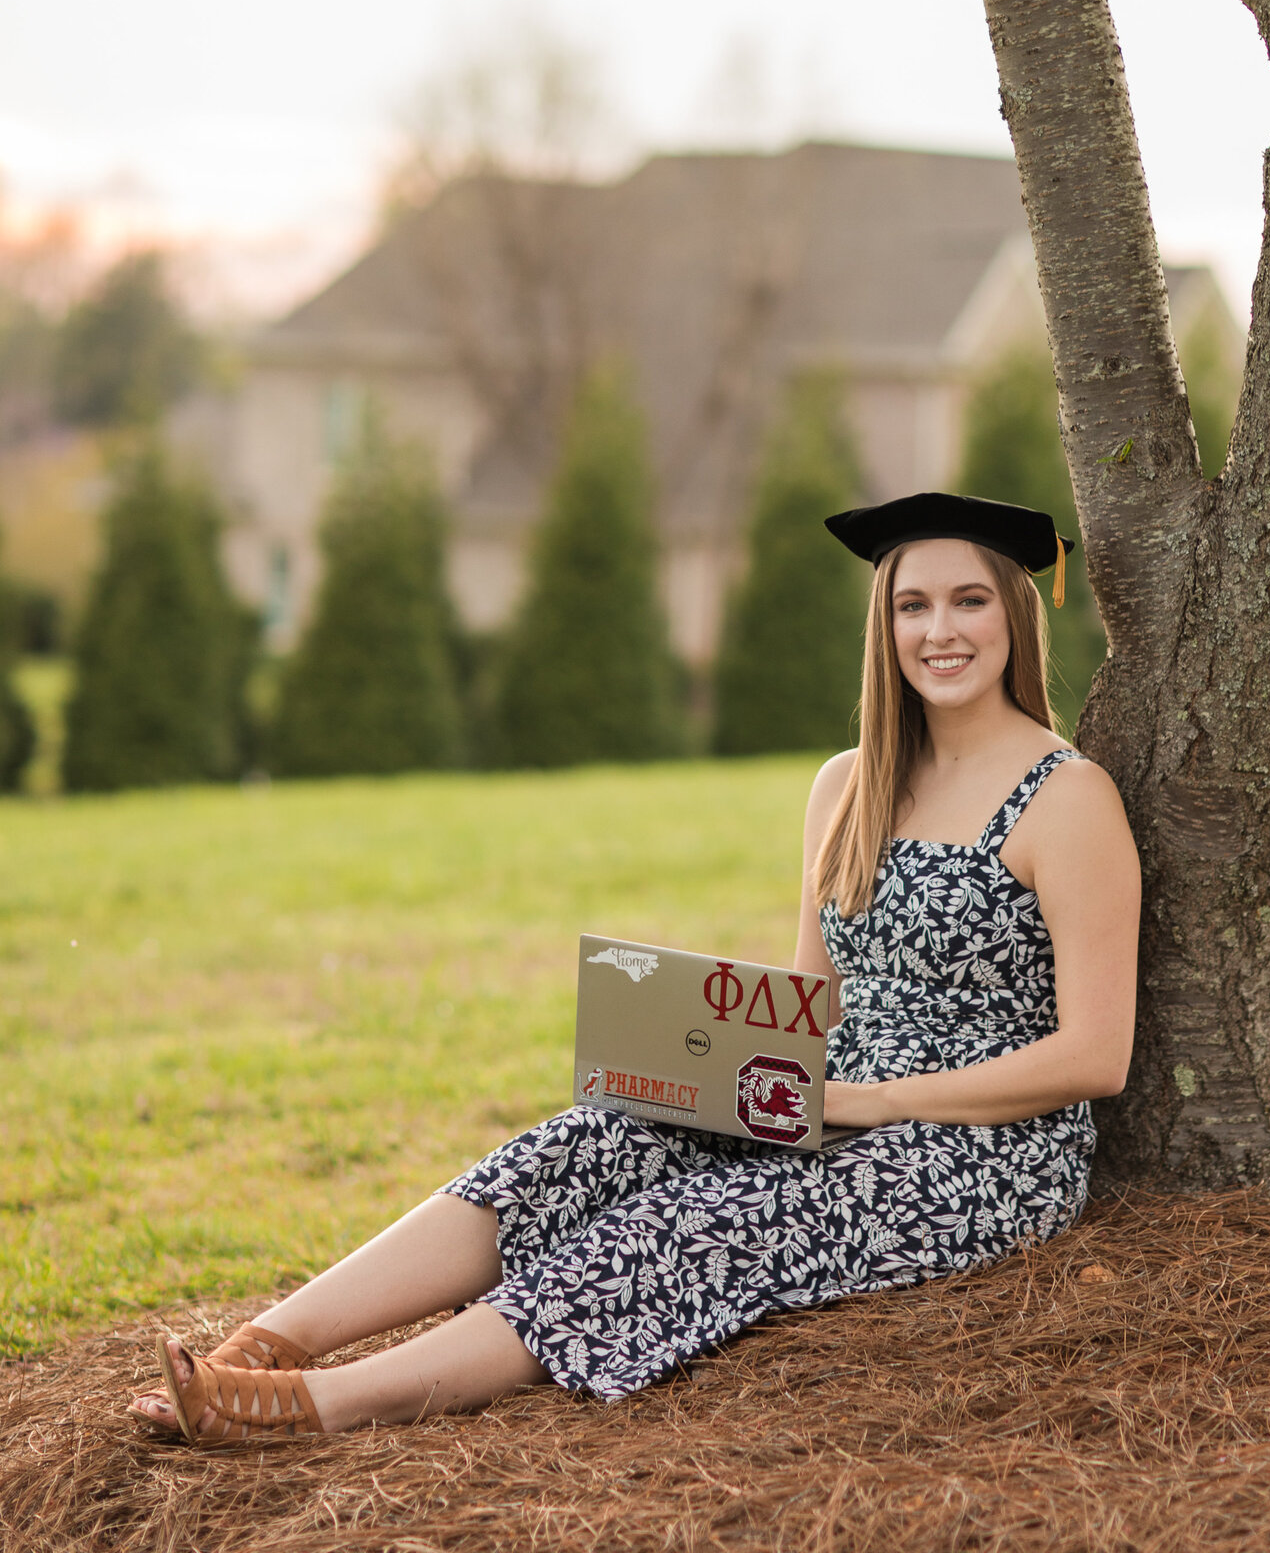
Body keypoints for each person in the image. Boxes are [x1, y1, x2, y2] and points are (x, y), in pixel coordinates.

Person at [133, 490, 1140, 1447]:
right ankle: (259, 1350)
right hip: (823, 1101)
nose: (939, 631)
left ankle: (314, 1407)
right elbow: (812, 996)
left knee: (686, 1217)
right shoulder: (848, 785)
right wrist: (698, 1058)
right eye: (912, 605)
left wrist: (871, 1101)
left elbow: (1095, 1057)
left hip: (980, 1154)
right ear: (883, 626)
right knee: (591, 1140)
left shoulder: (1065, 797)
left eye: (968, 600)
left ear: (1014, 613)